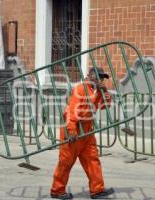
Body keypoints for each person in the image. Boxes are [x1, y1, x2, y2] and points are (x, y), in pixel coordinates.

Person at [50, 67, 115, 199]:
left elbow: (106, 105)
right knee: (66, 162)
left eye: (102, 78)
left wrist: (105, 91)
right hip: (73, 130)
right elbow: (72, 110)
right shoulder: (81, 89)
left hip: (87, 132)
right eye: (99, 77)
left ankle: (97, 190)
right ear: (90, 76)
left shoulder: (95, 91)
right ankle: (57, 190)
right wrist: (72, 130)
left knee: (92, 160)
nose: (101, 80)